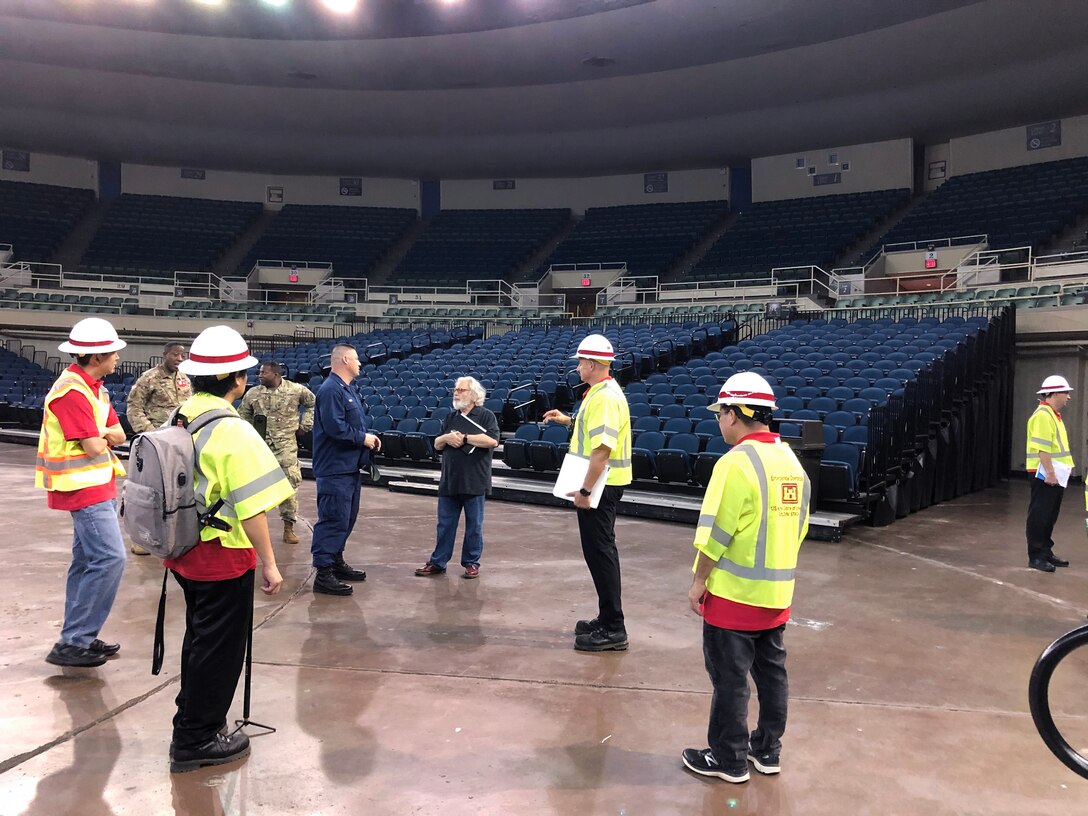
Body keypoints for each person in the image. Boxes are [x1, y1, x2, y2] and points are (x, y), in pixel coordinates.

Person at [166, 325, 293, 774]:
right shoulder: (233, 431)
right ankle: (196, 739)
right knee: (220, 648)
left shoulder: (179, 415)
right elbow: (253, 507)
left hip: (182, 550)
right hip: (222, 554)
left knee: (200, 638)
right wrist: (271, 565)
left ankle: (191, 719)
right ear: (238, 379)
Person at [681, 372, 809, 785]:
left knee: (730, 680)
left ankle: (728, 758)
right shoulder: (791, 461)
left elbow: (716, 534)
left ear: (734, 414)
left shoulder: (735, 463)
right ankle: (767, 750)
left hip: (734, 598)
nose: (719, 421)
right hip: (777, 594)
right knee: (772, 674)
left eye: (721, 413)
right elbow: (800, 527)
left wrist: (699, 581)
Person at [35, 317, 128, 668]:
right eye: (113, 352)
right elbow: (93, 445)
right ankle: (74, 640)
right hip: (82, 488)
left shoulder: (95, 389)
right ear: (96, 356)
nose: (118, 357)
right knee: (110, 559)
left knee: (88, 561)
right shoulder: (72, 392)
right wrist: (103, 436)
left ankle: (78, 637)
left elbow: (119, 434)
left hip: (97, 484)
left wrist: (102, 435)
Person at [542, 333, 632, 652]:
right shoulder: (598, 393)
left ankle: (613, 627)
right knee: (597, 551)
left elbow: (602, 451)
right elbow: (591, 431)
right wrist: (567, 420)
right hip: (601, 483)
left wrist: (585, 490)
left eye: (581, 361)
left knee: (601, 551)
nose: (578, 367)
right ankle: (607, 616)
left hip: (601, 485)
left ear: (592, 363)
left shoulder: (605, 396)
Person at [310, 343, 381, 596]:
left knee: (346, 518)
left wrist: (366, 437)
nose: (360, 363)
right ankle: (324, 572)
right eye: (356, 359)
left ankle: (336, 560)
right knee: (333, 518)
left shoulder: (345, 389)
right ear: (345, 360)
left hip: (348, 467)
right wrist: (363, 438)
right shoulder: (331, 390)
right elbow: (334, 427)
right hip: (335, 468)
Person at [414, 376, 500, 579]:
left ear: (473, 395)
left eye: (461, 390)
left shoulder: (486, 416)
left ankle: (471, 562)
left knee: (474, 525)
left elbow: (493, 441)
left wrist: (466, 438)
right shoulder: (450, 417)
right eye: (455, 389)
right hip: (450, 480)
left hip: (474, 480)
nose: (456, 392)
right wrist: (445, 438)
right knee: (444, 524)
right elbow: (437, 444)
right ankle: (438, 561)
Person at [238, 360, 316, 545]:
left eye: (264, 372)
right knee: (255, 489)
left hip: (286, 446)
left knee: (289, 487)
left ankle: (288, 528)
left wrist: (305, 425)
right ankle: (255, 529)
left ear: (276, 374)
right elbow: (243, 414)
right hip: (260, 447)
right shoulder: (253, 393)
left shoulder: (296, 390)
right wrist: (249, 432)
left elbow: (312, 403)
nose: (260, 375)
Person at [127, 341, 193, 555]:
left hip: (178, 445)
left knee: (177, 492)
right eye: (175, 354)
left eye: (182, 355)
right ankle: (140, 537)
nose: (179, 359)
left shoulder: (184, 379)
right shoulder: (149, 378)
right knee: (147, 492)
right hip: (154, 445)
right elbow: (134, 407)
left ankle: (174, 535)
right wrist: (148, 434)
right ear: (164, 354)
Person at [1025, 375, 1074, 572]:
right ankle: (1036, 555)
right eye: (1066, 393)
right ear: (1054, 393)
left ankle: (1045, 552)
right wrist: (1050, 473)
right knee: (1040, 514)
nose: (1068, 397)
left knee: (1049, 515)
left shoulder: (1052, 415)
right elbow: (1042, 449)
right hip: (1045, 474)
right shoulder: (1043, 416)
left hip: (1055, 474)